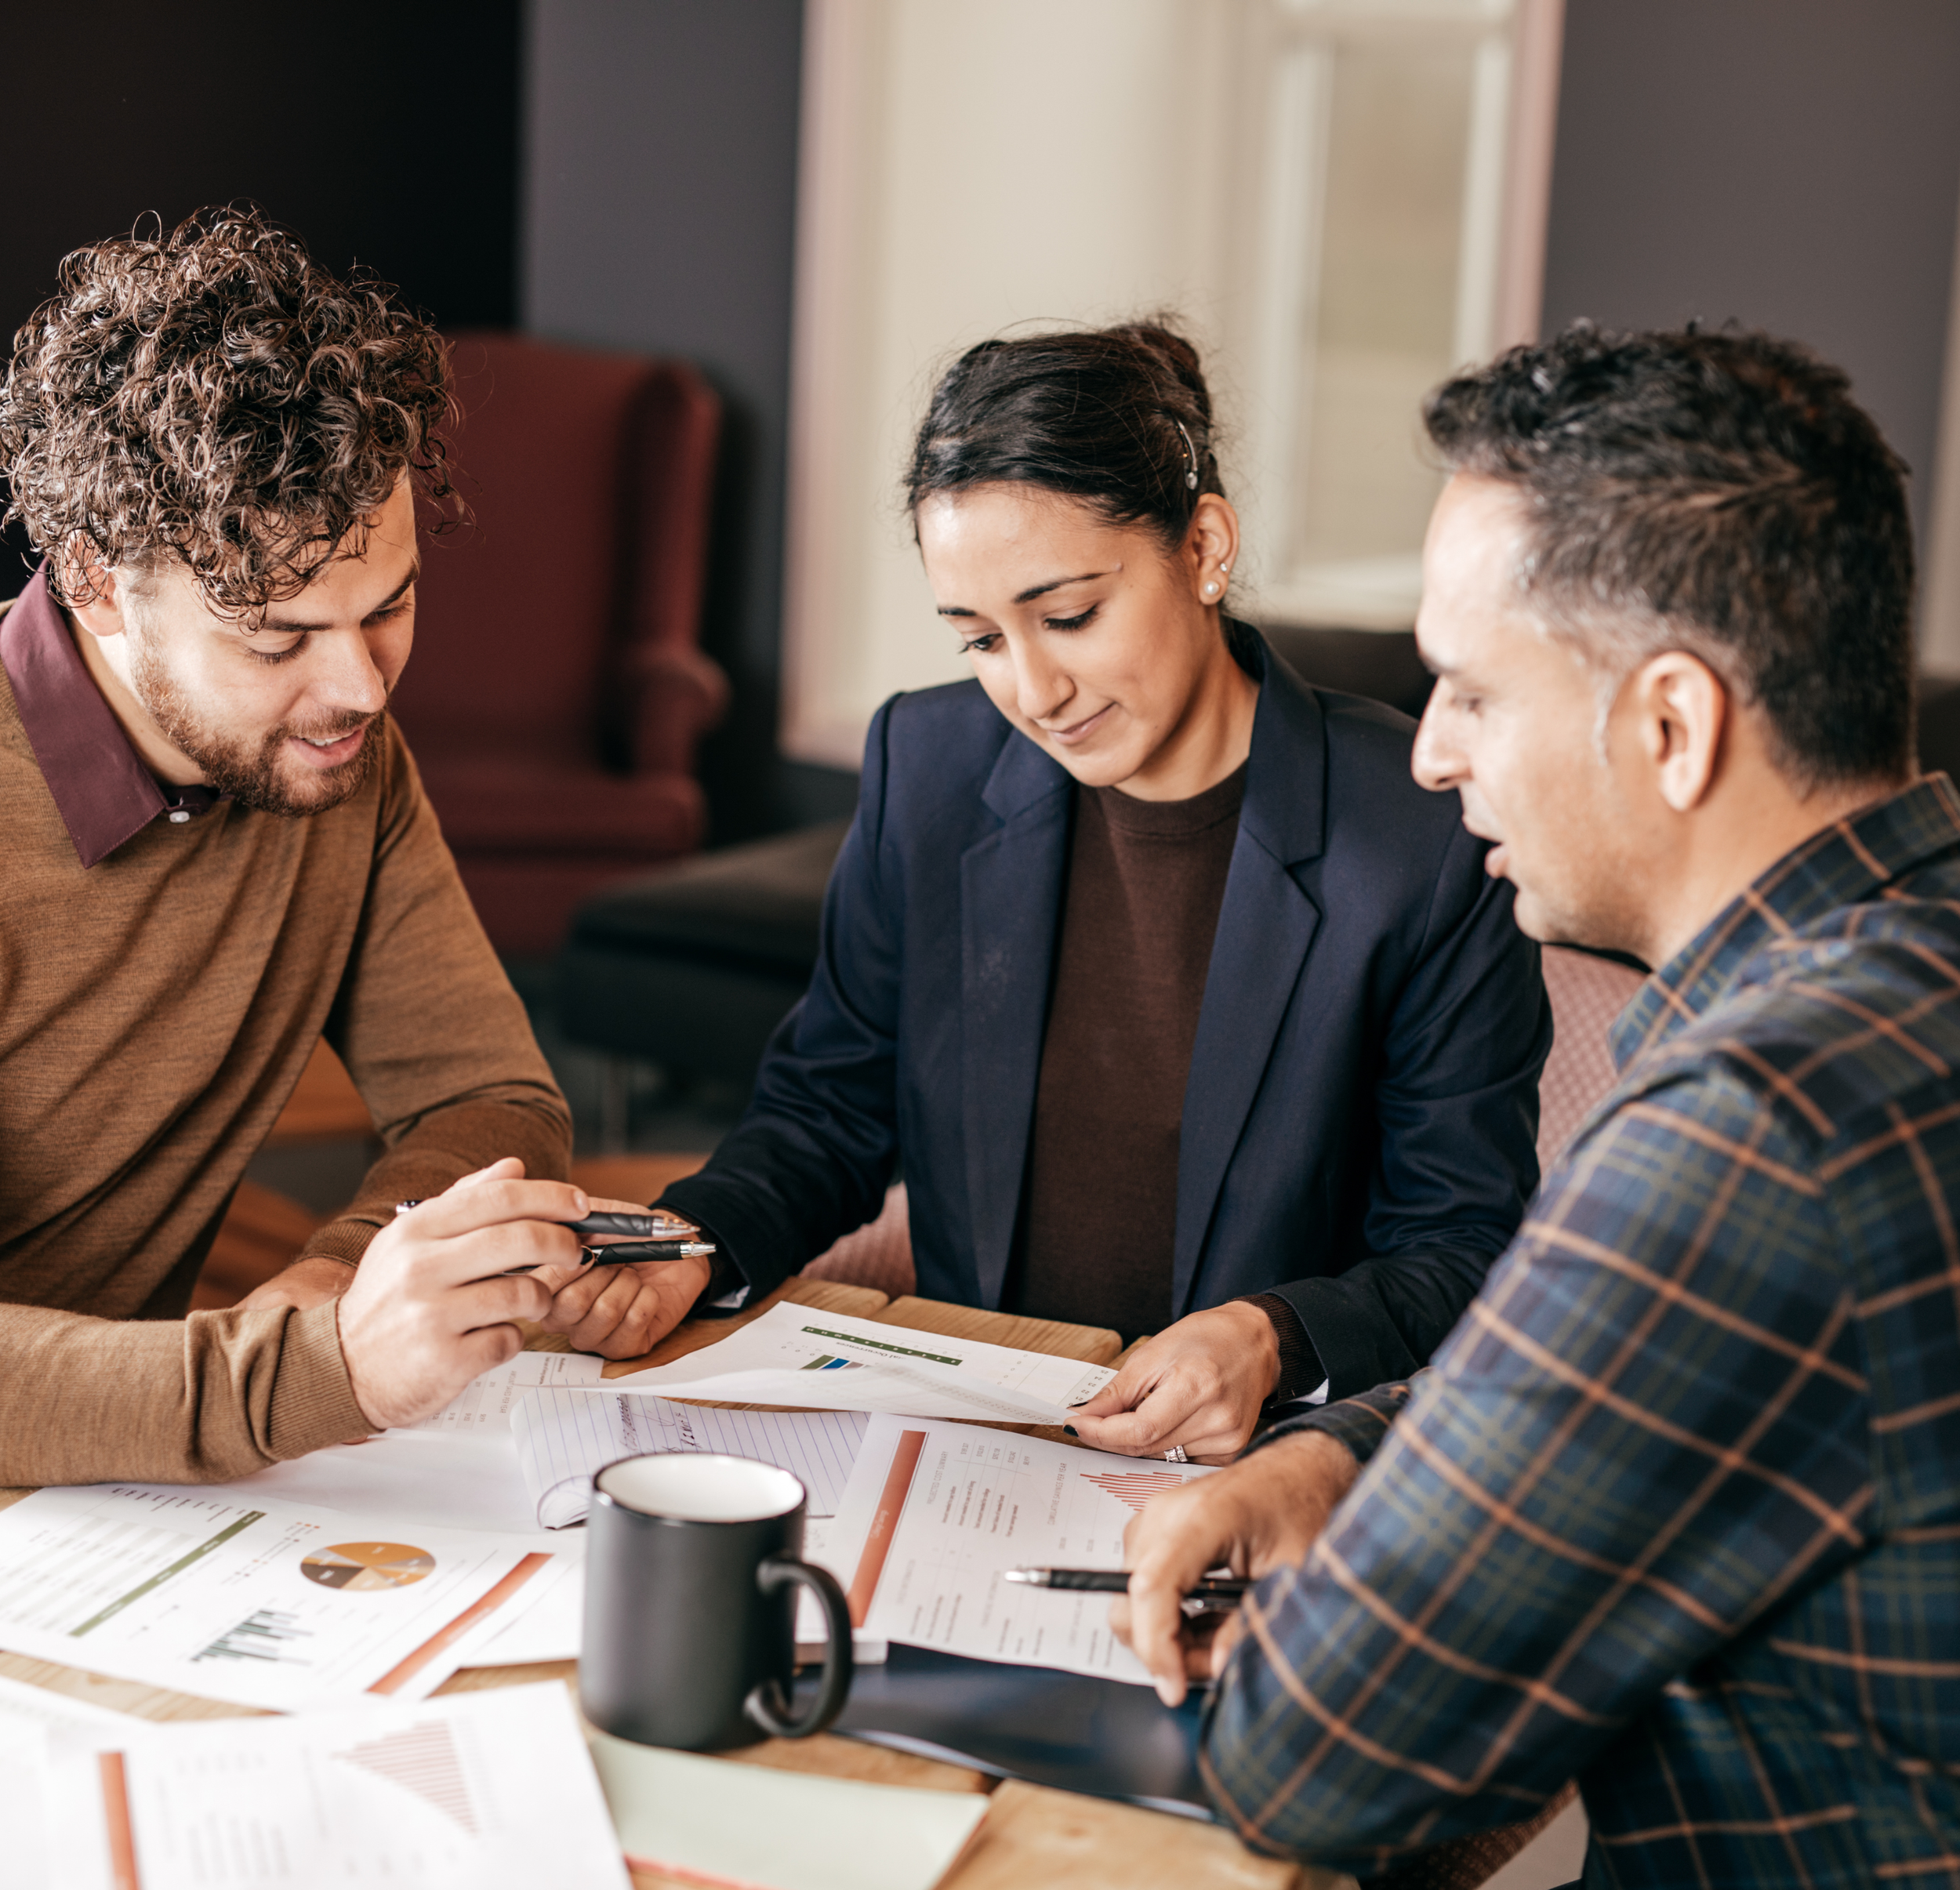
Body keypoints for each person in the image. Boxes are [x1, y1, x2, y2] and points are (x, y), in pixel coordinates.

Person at [1115, 325, 1960, 1885]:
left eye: (1466, 692)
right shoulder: (1902, 970)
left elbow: (1312, 1758)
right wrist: (1349, 1450)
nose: (1429, 756)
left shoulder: (1753, 1129)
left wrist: (1359, 1558)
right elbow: (1648, 1380)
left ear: (1668, 723)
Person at [629, 322, 1551, 1461]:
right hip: (977, 1444)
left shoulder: (1420, 831)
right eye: (979, 638)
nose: (1033, 688)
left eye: (1069, 616)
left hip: (1259, 1468)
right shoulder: (930, 766)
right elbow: (828, 1111)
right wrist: (687, 1242)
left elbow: (1465, 1245)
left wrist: (1273, 1336)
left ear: (1204, 546)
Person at [0, 208, 687, 1489]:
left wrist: (355, 1268)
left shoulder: (338, 753)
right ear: (93, 581)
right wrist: (322, 1364)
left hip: (125, 1487)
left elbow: (494, 1097)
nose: (362, 689)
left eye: (391, 606)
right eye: (276, 638)